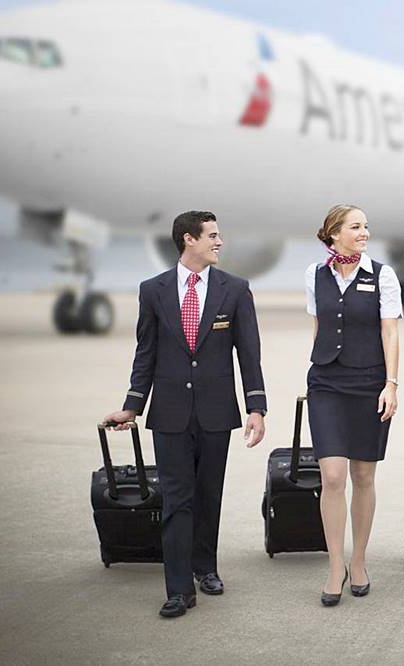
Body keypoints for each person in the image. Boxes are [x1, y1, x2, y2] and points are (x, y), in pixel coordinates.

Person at [103, 210, 267, 618]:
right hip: (170, 413)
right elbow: (146, 351)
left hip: (216, 413)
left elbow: (249, 353)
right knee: (178, 500)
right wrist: (132, 405)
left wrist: (256, 407)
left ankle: (205, 567)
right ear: (188, 240)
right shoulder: (153, 290)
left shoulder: (235, 289)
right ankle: (178, 589)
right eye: (212, 235)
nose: (219, 242)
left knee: (209, 495)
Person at [304, 204, 401, 606]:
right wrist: (313, 372)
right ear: (334, 233)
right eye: (356, 227)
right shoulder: (315, 274)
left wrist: (390, 385)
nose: (364, 233)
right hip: (326, 382)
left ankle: (358, 560)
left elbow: (390, 332)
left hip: (368, 383)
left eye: (366, 227)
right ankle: (333, 565)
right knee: (331, 477)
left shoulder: (382, 275)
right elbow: (318, 325)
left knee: (363, 477)